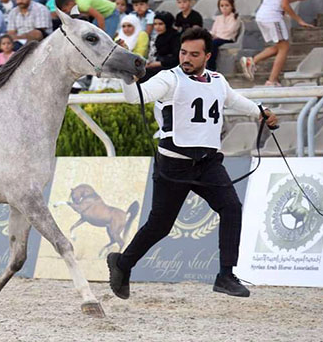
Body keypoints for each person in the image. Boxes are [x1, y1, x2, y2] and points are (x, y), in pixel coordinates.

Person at [107, 27, 279, 301]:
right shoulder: (168, 79)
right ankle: (123, 264)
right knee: (160, 225)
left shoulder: (218, 80)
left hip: (208, 162)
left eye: (194, 54)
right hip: (173, 165)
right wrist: (125, 74)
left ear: (207, 56)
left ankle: (225, 275)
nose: (186, 58)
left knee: (232, 208)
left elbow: (235, 100)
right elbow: (134, 97)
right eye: (183, 52)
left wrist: (261, 111)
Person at [240, 0, 314, 87]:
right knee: (284, 47)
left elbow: (278, 0)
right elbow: (284, 5)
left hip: (263, 15)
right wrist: (299, 20)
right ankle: (272, 80)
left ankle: (252, 61)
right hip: (272, 17)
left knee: (279, 46)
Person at [55, 0, 120, 38]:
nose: (67, 12)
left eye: (65, 10)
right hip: (101, 14)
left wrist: (101, 35)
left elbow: (100, 18)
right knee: (92, 35)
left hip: (111, 12)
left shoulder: (83, 4)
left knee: (106, 37)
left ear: (70, 4)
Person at [144, 11, 179, 81]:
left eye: (160, 24)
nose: (157, 27)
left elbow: (176, 58)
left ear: (167, 24)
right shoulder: (159, 37)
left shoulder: (176, 37)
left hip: (172, 69)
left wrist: (158, 63)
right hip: (159, 66)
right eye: (155, 24)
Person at [209, 0, 241, 71]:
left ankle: (211, 68)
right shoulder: (218, 18)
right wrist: (212, 35)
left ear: (232, 6)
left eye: (227, 5)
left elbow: (230, 30)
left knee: (214, 43)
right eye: (222, 6)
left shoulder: (235, 17)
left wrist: (218, 36)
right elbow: (214, 30)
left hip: (227, 38)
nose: (224, 8)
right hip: (217, 37)